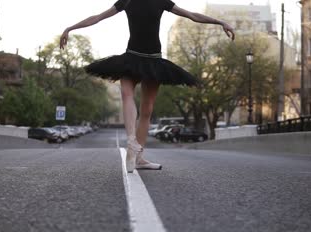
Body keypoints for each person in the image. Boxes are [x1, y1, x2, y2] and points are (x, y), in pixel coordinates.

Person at [60, 0, 235, 173]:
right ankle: (132, 142)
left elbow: (192, 15)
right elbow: (97, 17)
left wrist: (220, 22)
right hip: (134, 58)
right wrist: (70, 28)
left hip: (151, 61)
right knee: (132, 99)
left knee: (145, 108)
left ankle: (137, 156)